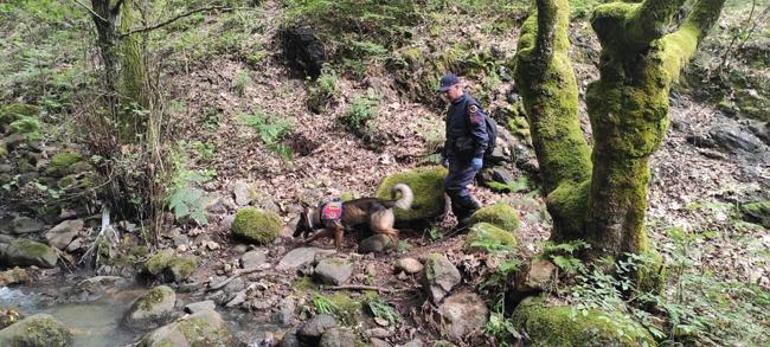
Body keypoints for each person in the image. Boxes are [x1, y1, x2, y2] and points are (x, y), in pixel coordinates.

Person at [438, 73, 488, 226]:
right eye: (444, 92)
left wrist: (478, 156)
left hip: (468, 157)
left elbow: (481, 134)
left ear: (458, 86)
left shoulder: (470, 106)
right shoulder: (453, 107)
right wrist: (445, 154)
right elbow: (451, 135)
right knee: (452, 187)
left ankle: (477, 210)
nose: (446, 95)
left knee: (454, 187)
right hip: (456, 155)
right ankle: (463, 222)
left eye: (448, 91)